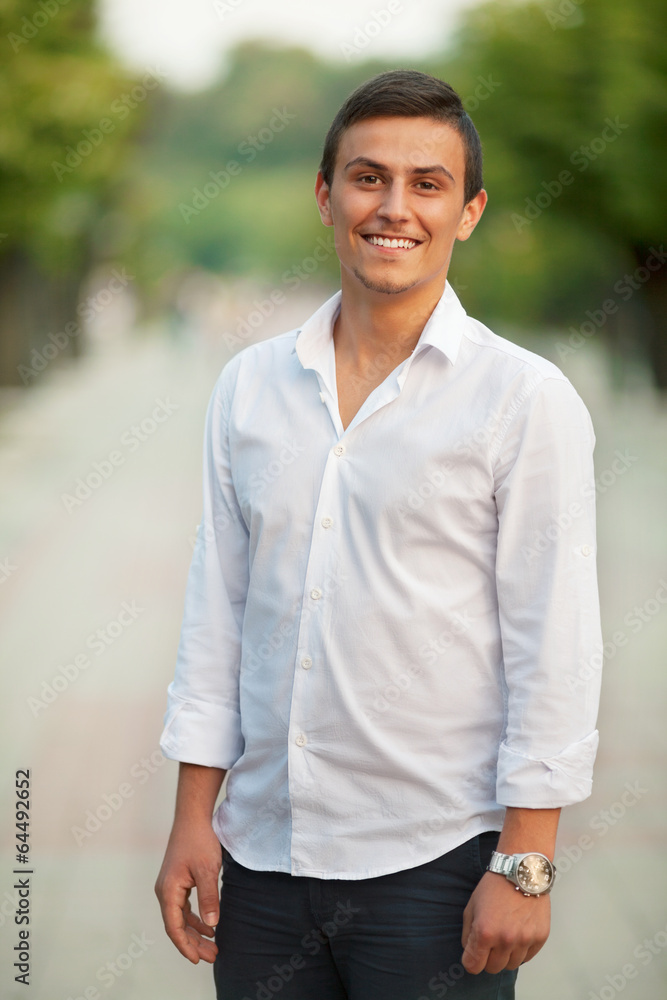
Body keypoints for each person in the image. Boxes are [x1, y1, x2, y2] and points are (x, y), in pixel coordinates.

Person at [154, 69, 603, 999]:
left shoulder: (523, 399)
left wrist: (526, 863)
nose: (394, 207)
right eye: (368, 178)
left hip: (436, 866)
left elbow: (554, 640)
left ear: (467, 212)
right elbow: (219, 611)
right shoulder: (249, 387)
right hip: (262, 858)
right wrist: (193, 815)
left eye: (426, 184)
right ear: (326, 197)